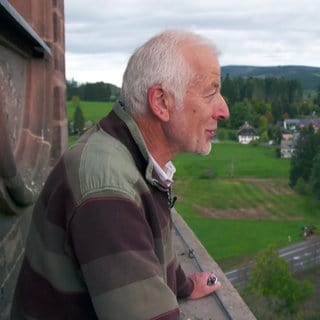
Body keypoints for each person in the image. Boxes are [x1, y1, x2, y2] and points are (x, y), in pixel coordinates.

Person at [11, 29, 229, 319]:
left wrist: (183, 286)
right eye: (211, 92)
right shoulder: (107, 187)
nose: (224, 110)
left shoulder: (132, 154)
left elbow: (146, 240)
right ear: (161, 102)